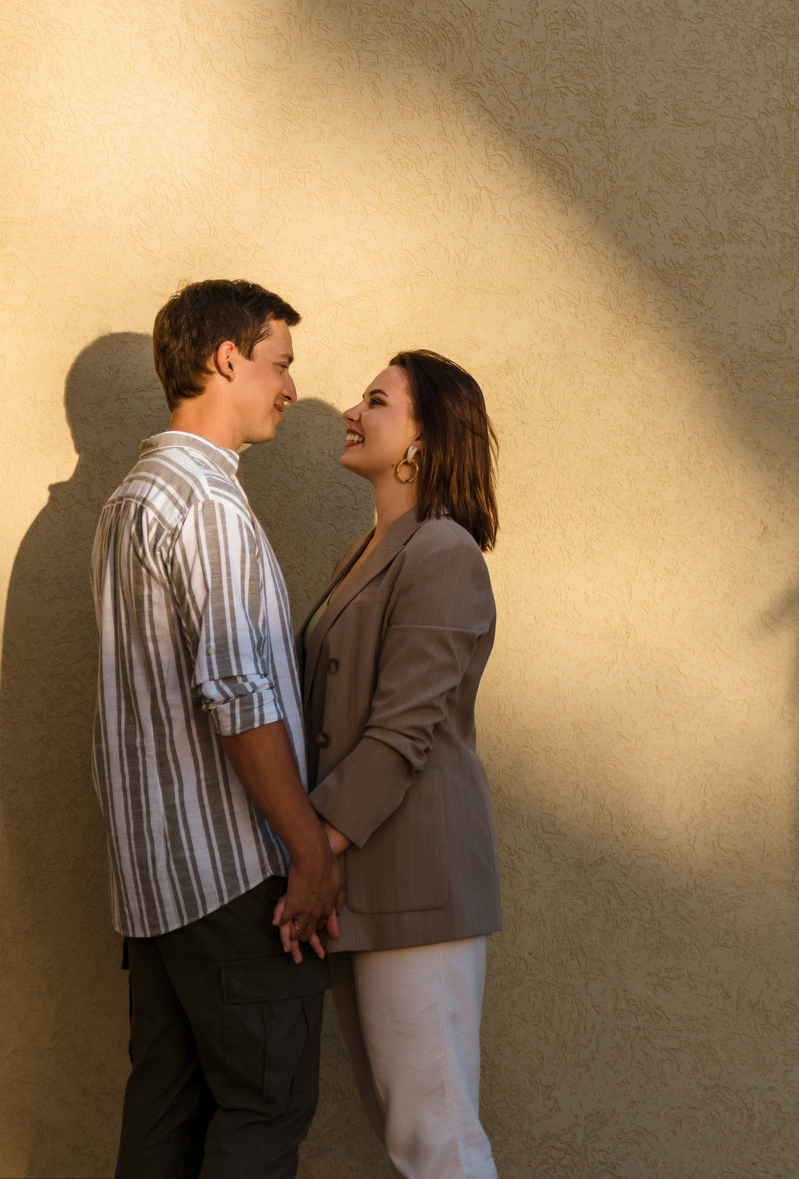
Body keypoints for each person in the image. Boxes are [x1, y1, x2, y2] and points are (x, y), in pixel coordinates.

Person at [92, 279, 347, 1179]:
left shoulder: (130, 500)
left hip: (156, 893)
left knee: (165, 1115)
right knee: (266, 1104)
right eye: (280, 364)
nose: (288, 388)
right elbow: (238, 696)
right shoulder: (205, 505)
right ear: (226, 358)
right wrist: (308, 850)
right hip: (233, 881)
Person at [302, 351, 505, 1179]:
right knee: (410, 1133)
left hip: (415, 884)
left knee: (437, 1137)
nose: (353, 410)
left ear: (423, 439)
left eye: (377, 401)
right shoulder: (368, 548)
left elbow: (401, 732)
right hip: (364, 879)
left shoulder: (443, 552)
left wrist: (311, 851)